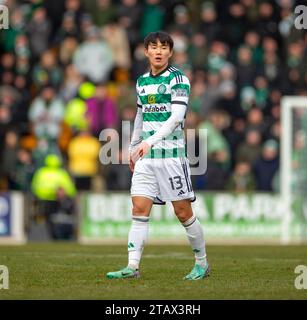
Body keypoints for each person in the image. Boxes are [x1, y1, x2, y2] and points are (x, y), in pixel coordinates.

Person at [107, 31, 210, 280]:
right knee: (139, 207)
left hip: (172, 157)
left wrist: (149, 142)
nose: (159, 51)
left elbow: (176, 117)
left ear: (170, 53)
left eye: (164, 47)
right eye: (154, 47)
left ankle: (202, 263)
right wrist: (134, 148)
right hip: (147, 159)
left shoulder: (179, 79)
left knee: (183, 212)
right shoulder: (142, 81)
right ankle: (132, 267)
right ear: (146, 52)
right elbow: (141, 117)